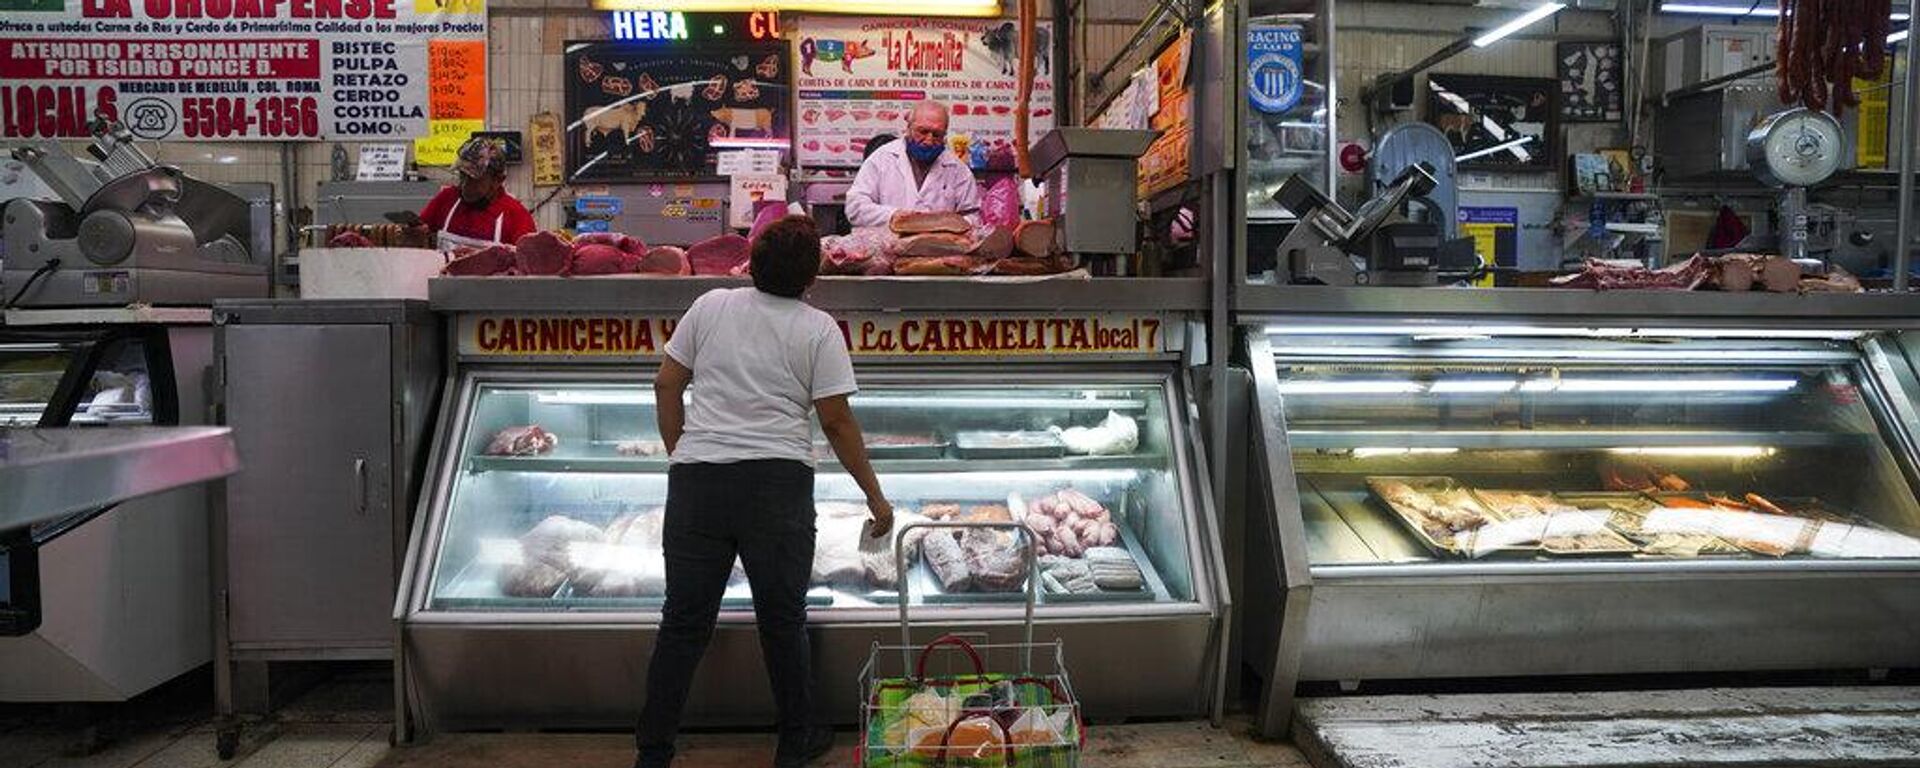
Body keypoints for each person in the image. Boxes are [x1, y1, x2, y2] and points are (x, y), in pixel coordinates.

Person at [637, 215, 894, 768]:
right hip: (777, 485)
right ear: (811, 279)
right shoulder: (818, 328)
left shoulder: (710, 306)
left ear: (751, 264)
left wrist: (683, 452)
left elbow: (666, 383)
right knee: (782, 620)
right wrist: (875, 497)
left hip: (699, 482)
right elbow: (836, 422)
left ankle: (653, 752)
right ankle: (793, 743)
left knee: (683, 620)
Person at [844, 102, 980, 229]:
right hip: (889, 246)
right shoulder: (881, 158)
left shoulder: (958, 169)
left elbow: (974, 216)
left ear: (944, 135)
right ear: (908, 128)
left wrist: (951, 225)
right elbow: (855, 207)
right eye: (923, 132)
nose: (929, 140)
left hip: (939, 250)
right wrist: (891, 215)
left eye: (937, 134)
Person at [418, 137, 538, 251]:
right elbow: (420, 234)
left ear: (498, 180)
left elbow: (529, 265)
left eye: (473, 179)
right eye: (462, 175)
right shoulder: (446, 198)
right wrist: (414, 233)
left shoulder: (517, 216)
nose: (464, 185)